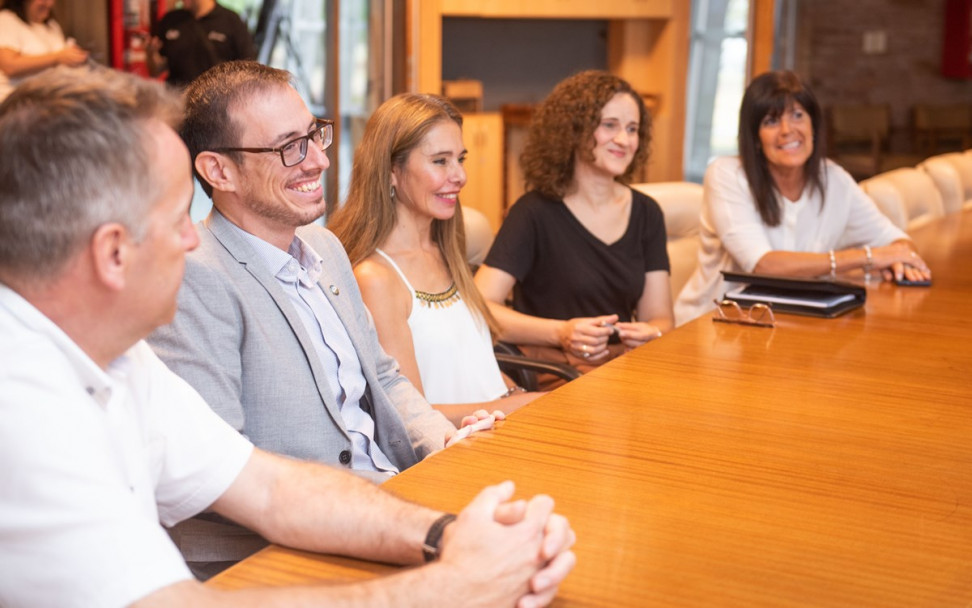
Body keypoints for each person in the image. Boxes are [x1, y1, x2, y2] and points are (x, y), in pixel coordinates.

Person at [0, 63, 575, 608]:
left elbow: (270, 488)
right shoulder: (23, 407)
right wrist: (452, 586)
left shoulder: (118, 358)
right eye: (179, 218)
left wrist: (447, 535)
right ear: (113, 253)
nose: (193, 241)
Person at [146, 61, 502, 574]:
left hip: (387, 497)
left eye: (315, 135)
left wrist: (445, 440)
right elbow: (224, 471)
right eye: (289, 146)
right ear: (218, 171)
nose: (318, 160)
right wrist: (395, 517)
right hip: (279, 549)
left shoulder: (325, 246)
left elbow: (383, 375)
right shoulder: (196, 277)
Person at [329, 93, 541, 425]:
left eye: (461, 158)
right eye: (440, 161)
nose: (460, 176)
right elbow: (412, 419)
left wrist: (515, 396)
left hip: (499, 428)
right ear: (390, 172)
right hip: (452, 454)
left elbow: (472, 364)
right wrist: (528, 404)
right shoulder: (375, 277)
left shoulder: (445, 248)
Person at [674, 70, 932, 325]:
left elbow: (900, 243)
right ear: (754, 137)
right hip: (713, 326)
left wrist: (900, 262)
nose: (787, 130)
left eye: (797, 115)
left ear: (813, 125)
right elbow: (763, 265)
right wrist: (870, 258)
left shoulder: (834, 178)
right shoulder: (727, 175)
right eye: (771, 121)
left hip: (794, 324)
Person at [474, 70, 674, 390]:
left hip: (623, 371)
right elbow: (481, 308)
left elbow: (660, 317)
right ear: (574, 129)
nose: (624, 140)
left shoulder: (647, 213)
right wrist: (561, 332)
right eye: (610, 125)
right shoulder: (533, 212)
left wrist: (653, 333)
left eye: (632, 129)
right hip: (556, 374)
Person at [146, 0, 255, 88]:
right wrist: (151, 54)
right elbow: (155, 71)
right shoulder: (170, 19)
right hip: (175, 100)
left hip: (213, 101)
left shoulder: (231, 21)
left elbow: (248, 69)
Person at [0, 0, 87, 101]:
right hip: (14, 103)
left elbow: (61, 57)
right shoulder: (6, 20)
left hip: (45, 101)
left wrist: (72, 57)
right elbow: (10, 66)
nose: (49, 3)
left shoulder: (52, 25)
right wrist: (57, 58)